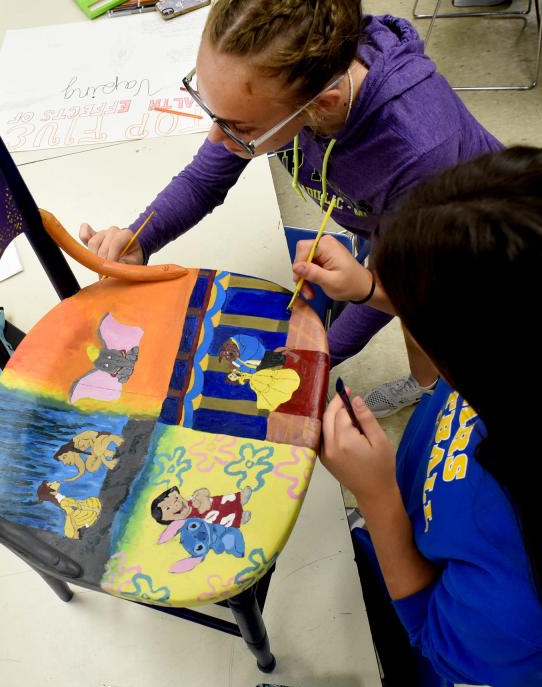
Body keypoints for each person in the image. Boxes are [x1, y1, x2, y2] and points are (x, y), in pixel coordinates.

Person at [80, 0, 501, 417]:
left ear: (323, 105)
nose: (217, 137)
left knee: (438, 320)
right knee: (413, 320)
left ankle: (442, 400)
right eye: (214, 112)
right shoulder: (297, 77)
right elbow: (206, 177)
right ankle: (423, 383)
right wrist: (141, 237)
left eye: (239, 128)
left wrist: (311, 359)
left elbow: (387, 290)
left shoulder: (415, 151)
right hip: (392, 221)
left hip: (474, 245)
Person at [292, 146, 542, 687]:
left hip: (406, 540)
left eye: (421, 320)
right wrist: (369, 289)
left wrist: (379, 497)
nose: (407, 323)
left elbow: (432, 637)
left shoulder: (525, 609)